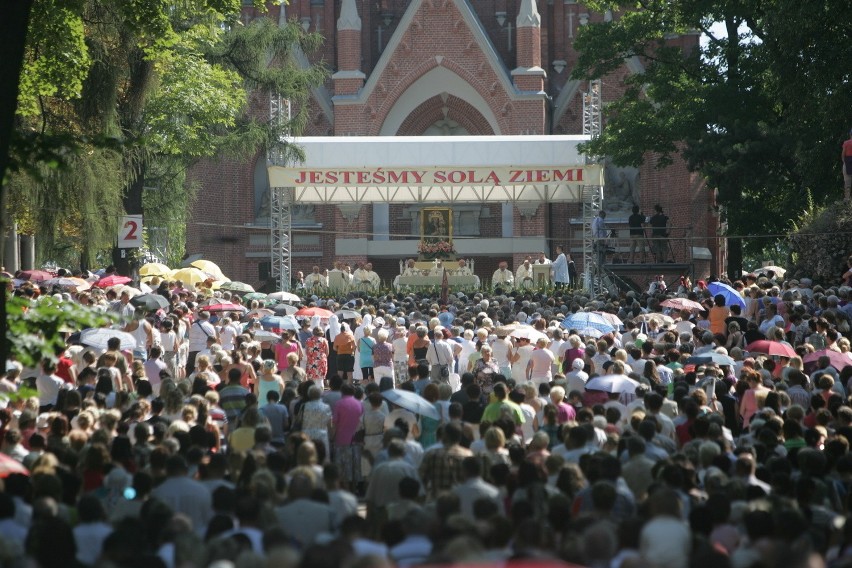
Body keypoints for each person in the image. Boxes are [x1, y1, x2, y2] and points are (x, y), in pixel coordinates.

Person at [842, 128, 852, 201]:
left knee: (847, 183)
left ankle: (847, 199)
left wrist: (844, 163)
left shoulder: (846, 143)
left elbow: (843, 154)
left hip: (848, 162)